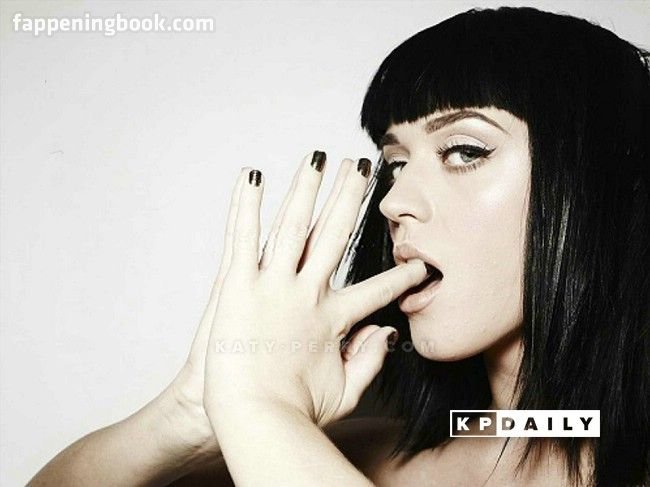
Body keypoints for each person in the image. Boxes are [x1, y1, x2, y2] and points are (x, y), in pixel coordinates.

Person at [28, 6, 649, 487]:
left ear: (598, 186)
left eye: (464, 151)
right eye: (395, 162)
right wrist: (192, 412)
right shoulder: (363, 454)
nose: (393, 202)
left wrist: (260, 406)